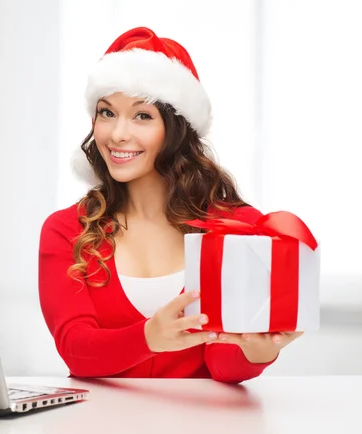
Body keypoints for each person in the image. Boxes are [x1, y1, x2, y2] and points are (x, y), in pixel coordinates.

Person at [38, 27, 302, 383]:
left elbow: (222, 365)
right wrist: (149, 338)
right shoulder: (67, 230)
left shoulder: (239, 228)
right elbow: (76, 349)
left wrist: (257, 351)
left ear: (177, 129)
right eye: (106, 113)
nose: (117, 134)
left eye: (142, 116)